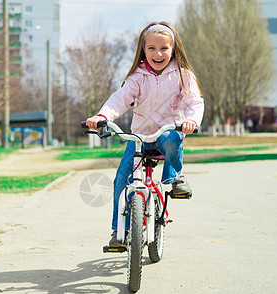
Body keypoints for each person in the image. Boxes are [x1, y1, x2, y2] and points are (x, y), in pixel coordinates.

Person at [86, 21, 204, 246]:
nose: (157, 53)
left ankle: (175, 178)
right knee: (121, 179)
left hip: (166, 132)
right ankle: (118, 232)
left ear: (174, 49)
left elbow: (194, 102)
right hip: (139, 138)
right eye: (151, 48)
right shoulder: (138, 77)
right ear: (143, 50)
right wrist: (102, 117)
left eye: (164, 48)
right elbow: (119, 100)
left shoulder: (182, 74)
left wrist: (190, 121)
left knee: (173, 138)